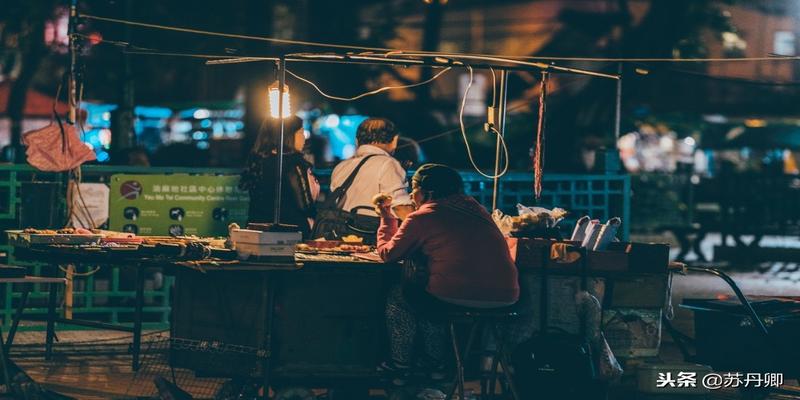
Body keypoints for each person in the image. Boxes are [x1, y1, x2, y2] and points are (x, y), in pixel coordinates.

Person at [373, 163, 520, 380]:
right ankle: (434, 364)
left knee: (402, 297)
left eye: (414, 189)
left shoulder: (422, 216)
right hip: (507, 297)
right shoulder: (476, 209)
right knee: (428, 292)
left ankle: (402, 365)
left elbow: (389, 254)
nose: (412, 195)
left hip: (458, 296)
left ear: (427, 192)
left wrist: (387, 217)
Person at [239, 116, 319, 237]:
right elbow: (305, 205)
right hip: (290, 233)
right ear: (288, 135)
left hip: (256, 230)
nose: (304, 137)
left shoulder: (258, 160)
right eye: (301, 132)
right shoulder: (294, 163)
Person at [330, 118, 415, 220]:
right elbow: (401, 208)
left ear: (357, 141)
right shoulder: (388, 164)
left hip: (341, 231)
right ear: (394, 141)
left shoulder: (340, 167)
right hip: (371, 233)